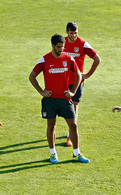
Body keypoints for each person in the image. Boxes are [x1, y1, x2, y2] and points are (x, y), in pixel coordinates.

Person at [29, 34, 90, 164]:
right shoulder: (44, 60)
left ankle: (77, 153)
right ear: (52, 46)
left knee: (73, 125)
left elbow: (78, 75)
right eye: (58, 47)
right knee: (51, 126)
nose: (61, 49)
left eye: (62, 47)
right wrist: (41, 91)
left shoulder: (69, 59)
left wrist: (73, 92)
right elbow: (32, 76)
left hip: (64, 99)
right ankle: (53, 153)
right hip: (50, 100)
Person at [64, 22, 101, 146]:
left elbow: (97, 58)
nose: (73, 36)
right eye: (71, 33)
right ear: (67, 32)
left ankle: (70, 135)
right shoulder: (61, 43)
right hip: (63, 81)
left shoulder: (83, 44)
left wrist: (89, 74)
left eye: (75, 33)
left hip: (76, 82)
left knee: (74, 107)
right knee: (61, 108)